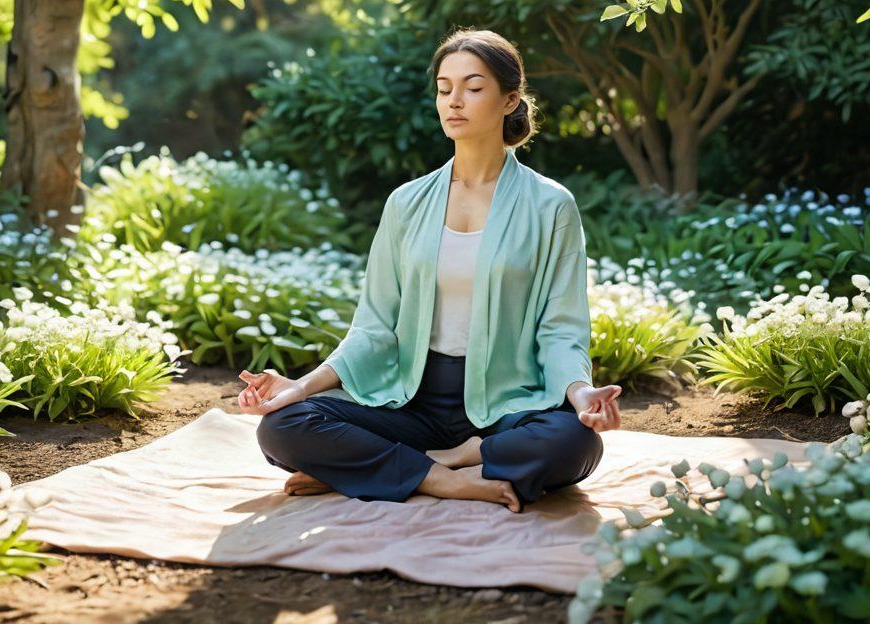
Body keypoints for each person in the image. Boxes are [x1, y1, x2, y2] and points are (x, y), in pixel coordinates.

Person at [236, 28, 622, 513]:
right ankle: (442, 477)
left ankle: (433, 461)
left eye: (473, 87)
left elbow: (561, 329)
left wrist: (582, 393)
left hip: (507, 404)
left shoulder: (551, 205)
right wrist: (300, 386)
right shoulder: (407, 202)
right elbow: (374, 327)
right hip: (410, 400)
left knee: (575, 444)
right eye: (444, 88)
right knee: (281, 427)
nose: (454, 101)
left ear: (509, 100)